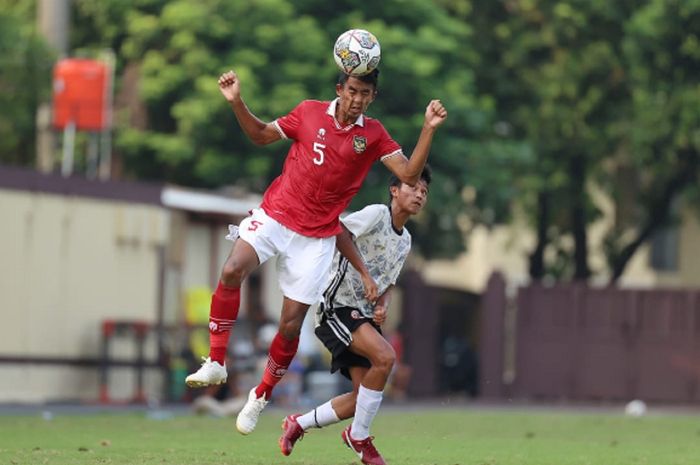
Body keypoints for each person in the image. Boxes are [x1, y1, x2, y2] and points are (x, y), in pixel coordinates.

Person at [185, 66, 447, 436]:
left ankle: (261, 395)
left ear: (372, 98)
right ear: (340, 88)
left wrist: (428, 129)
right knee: (232, 269)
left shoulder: (373, 135)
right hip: (277, 214)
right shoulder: (307, 111)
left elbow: (407, 173)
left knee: (290, 326)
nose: (357, 99)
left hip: (317, 238)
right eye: (352, 90)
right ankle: (215, 360)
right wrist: (237, 102)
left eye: (365, 94)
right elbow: (261, 136)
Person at [278, 167, 432, 465]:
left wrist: (383, 303)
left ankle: (298, 424)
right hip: (335, 305)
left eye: (424, 192)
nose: (419, 195)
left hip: (361, 316)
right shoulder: (376, 214)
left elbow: (388, 282)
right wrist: (364, 275)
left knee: (361, 399)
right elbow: (340, 231)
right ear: (394, 191)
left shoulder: (405, 241)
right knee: (386, 359)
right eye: (413, 187)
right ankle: (358, 437)